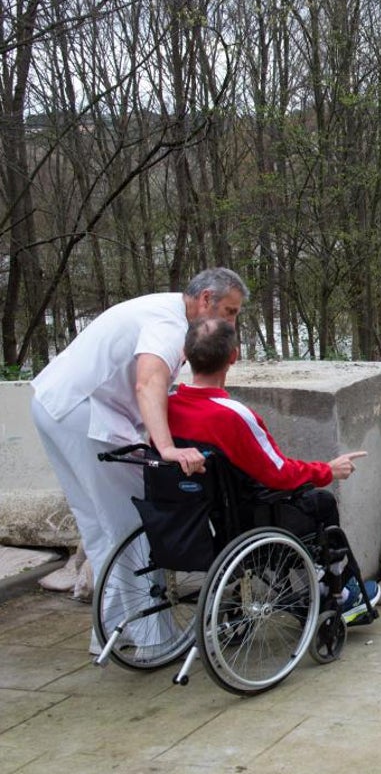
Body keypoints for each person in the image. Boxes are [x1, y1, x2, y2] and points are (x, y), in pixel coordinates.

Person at [30, 268, 248, 649]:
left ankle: (112, 634)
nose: (231, 321)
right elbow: (148, 382)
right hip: (85, 414)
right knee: (139, 524)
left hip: (54, 403)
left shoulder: (167, 310)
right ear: (205, 301)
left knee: (101, 530)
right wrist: (165, 449)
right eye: (229, 312)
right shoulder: (167, 326)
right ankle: (154, 640)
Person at [167, 316, 379, 623]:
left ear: (184, 354)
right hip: (240, 524)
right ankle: (340, 593)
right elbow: (277, 472)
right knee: (321, 503)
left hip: (188, 522)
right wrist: (327, 470)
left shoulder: (168, 407)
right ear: (233, 356)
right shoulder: (234, 416)